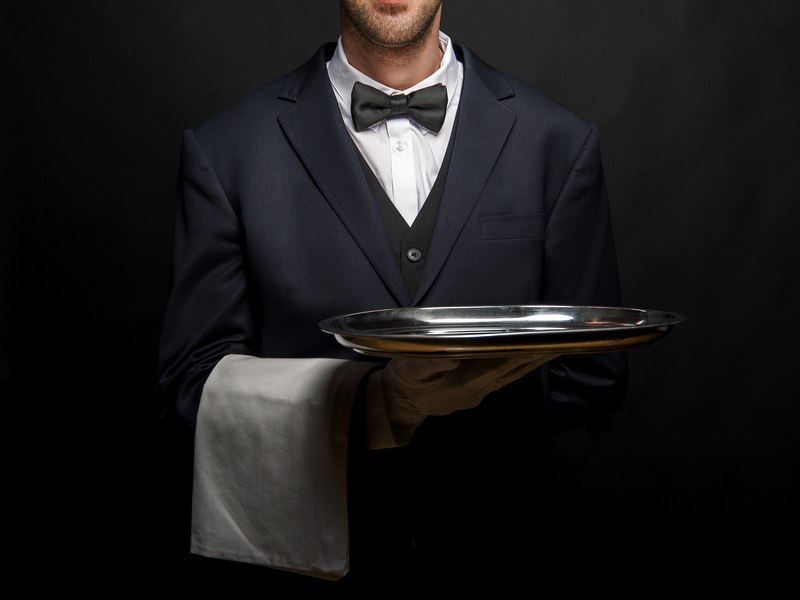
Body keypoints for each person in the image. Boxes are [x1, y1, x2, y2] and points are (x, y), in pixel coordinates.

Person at [156, 0, 627, 586]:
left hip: (498, 555)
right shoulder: (226, 150)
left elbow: (595, 369)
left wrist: (466, 404)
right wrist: (372, 406)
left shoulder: (558, 140)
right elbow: (194, 382)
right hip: (305, 566)